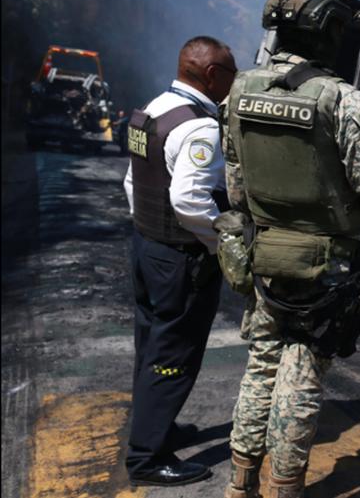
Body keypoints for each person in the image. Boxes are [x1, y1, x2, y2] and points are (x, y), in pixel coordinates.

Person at [222, 0, 360, 498]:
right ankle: (286, 488)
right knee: (302, 372)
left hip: (264, 256)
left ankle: (239, 484)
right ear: (326, 28)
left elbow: (236, 188)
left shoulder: (240, 88)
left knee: (261, 365)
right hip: (325, 265)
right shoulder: (340, 98)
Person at [122, 35, 237, 486]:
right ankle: (147, 458)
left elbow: (134, 182)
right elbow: (190, 200)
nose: (233, 81)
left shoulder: (151, 109)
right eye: (230, 72)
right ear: (211, 76)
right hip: (180, 258)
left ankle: (155, 427)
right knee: (173, 356)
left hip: (147, 247)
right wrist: (219, 242)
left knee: (151, 345)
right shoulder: (200, 127)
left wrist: (149, 230)